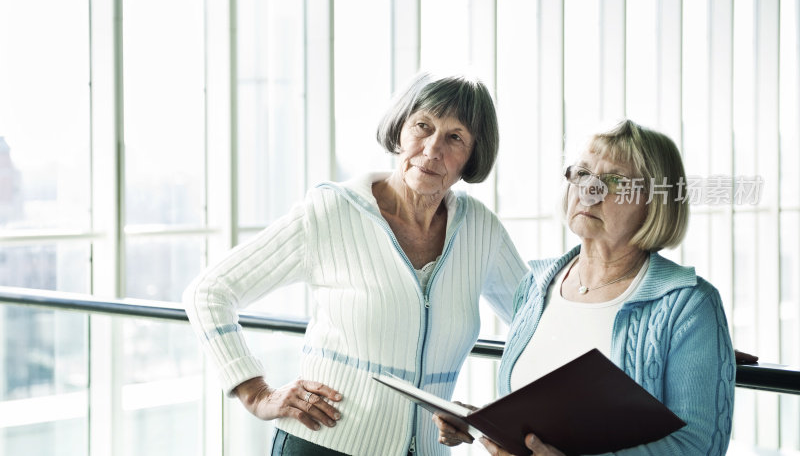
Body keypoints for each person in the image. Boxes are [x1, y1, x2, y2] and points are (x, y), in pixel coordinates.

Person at [183, 71, 528, 456]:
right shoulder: (332, 212)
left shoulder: (482, 231)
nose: (432, 149)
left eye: (455, 137)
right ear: (400, 130)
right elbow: (209, 293)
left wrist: (488, 415)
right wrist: (255, 392)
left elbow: (538, 323)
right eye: (422, 126)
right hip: (323, 444)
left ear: (472, 155)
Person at [434, 119, 736, 455]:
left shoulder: (690, 305)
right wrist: (486, 423)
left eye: (616, 181)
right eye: (582, 174)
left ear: (656, 202)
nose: (591, 190)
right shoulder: (534, 287)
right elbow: (543, 419)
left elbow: (700, 446)